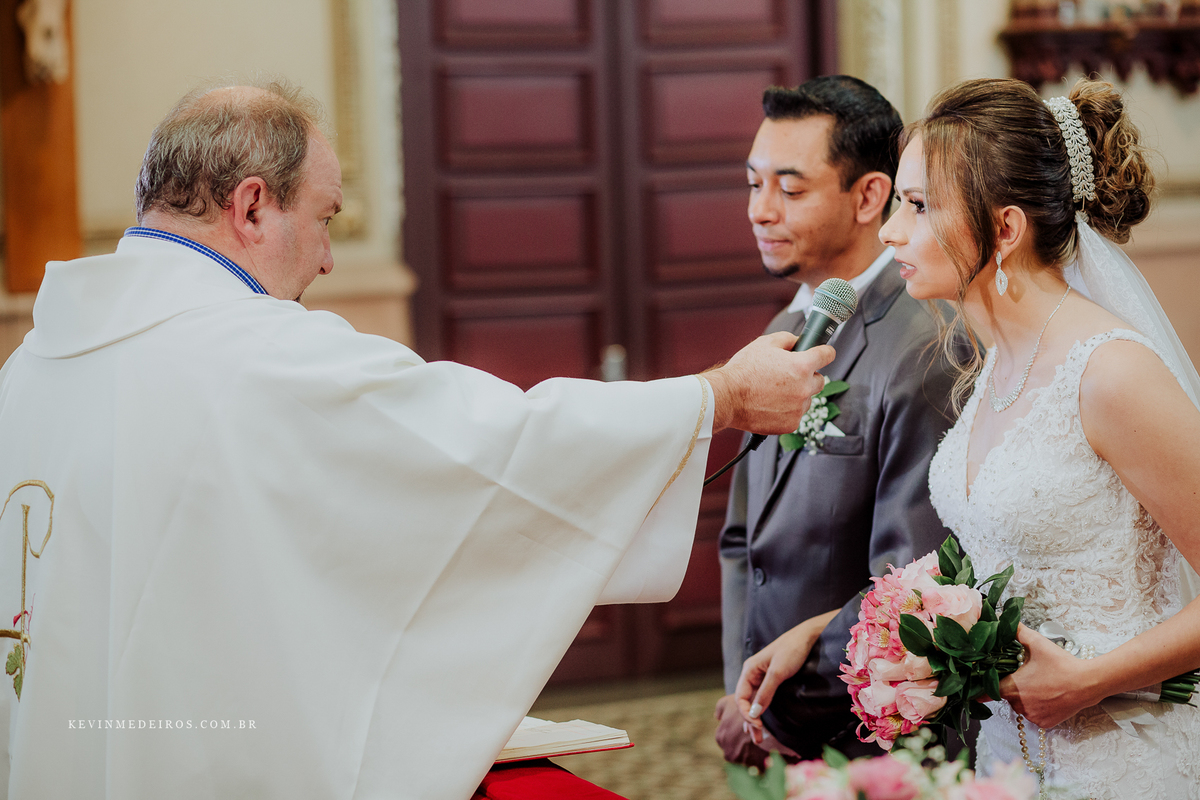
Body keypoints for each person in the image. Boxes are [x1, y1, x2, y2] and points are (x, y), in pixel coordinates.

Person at [0, 82, 836, 800]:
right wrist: (719, 396)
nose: (329, 259)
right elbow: (500, 448)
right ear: (252, 205)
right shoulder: (258, 355)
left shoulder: (34, 365)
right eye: (325, 217)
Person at [873, 78, 1200, 797]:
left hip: (1123, 758)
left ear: (1006, 228)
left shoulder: (1110, 372)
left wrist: (1089, 680)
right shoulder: (997, 362)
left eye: (918, 206)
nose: (890, 230)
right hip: (1010, 758)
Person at [714, 76, 958, 769]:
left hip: (870, 732)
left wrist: (785, 713)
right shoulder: (781, 330)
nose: (761, 210)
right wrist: (744, 693)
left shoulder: (923, 345)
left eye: (789, 190)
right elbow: (742, 541)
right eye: (753, 183)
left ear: (869, 196)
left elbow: (911, 573)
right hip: (769, 715)